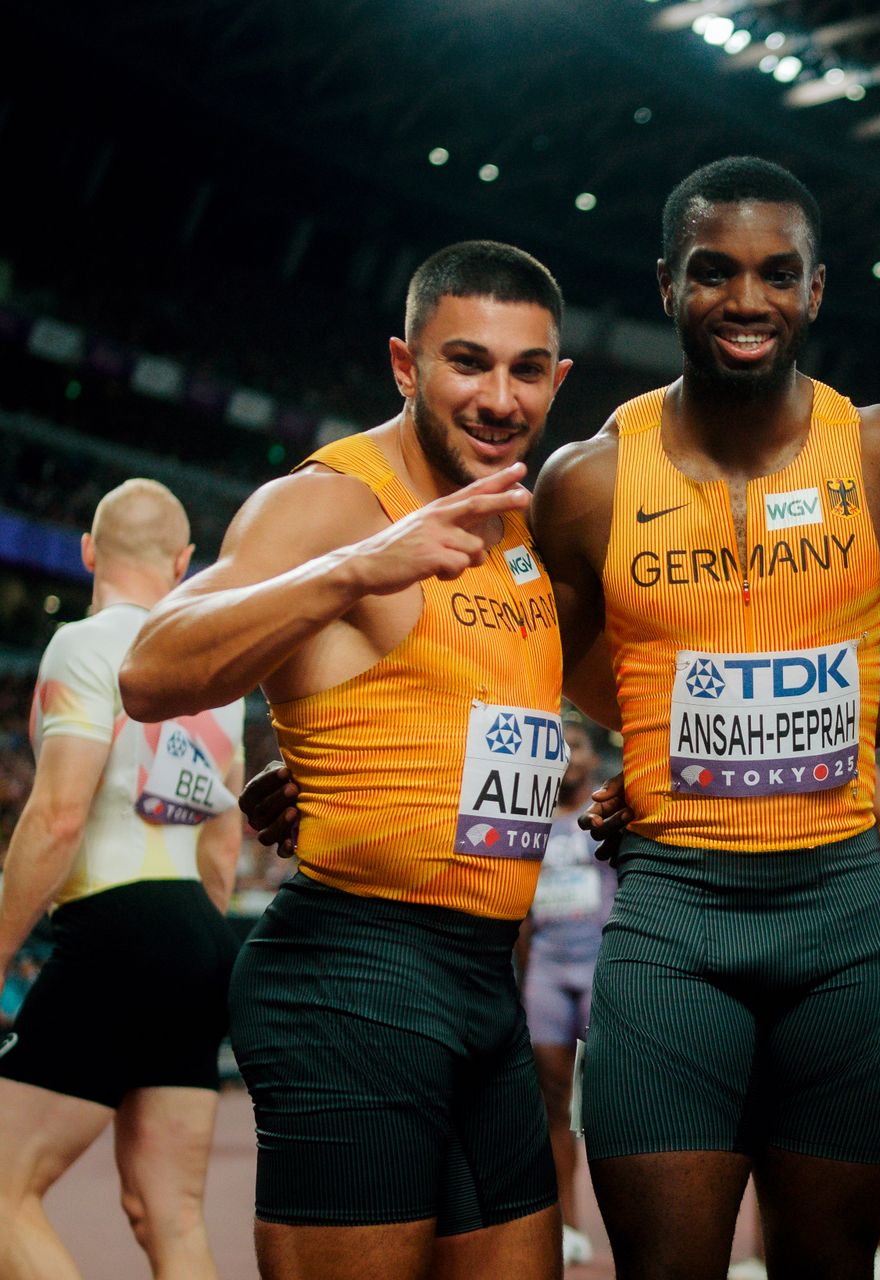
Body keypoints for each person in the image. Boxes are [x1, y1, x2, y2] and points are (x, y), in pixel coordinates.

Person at [119, 240, 575, 1279]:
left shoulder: (518, 520)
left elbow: (457, 711)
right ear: (405, 367)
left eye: (526, 368)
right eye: (467, 361)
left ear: (559, 380)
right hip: (353, 975)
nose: (499, 396)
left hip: (481, 976)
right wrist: (349, 569)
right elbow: (150, 670)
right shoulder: (330, 501)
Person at [530, 156, 880, 1280]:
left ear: (815, 290)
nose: (745, 300)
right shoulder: (588, 481)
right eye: (713, 272)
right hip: (672, 925)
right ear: (666, 284)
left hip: (843, 924)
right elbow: (529, 659)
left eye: (774, 274)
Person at [0, 479, 245, 1280]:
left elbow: (57, 817)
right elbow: (221, 841)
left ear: (88, 553)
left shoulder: (85, 644)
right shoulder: (218, 676)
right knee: (168, 1212)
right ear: (181, 564)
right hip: (196, 935)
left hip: (113, 924)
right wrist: (191, 953)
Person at [517, 719, 612, 1269]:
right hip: (548, 972)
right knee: (553, 1105)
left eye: (575, 743)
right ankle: (567, 1225)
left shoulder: (609, 817)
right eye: (556, 745)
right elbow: (522, 919)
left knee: (611, 1105)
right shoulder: (528, 824)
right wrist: (525, 977)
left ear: (594, 757)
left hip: (600, 968)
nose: (565, 753)